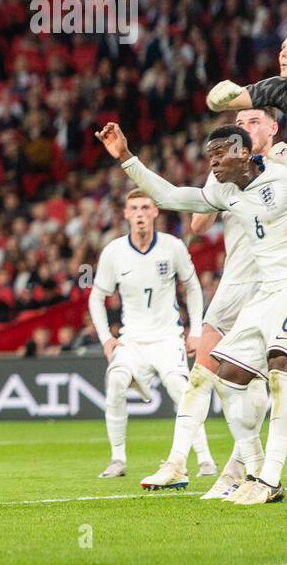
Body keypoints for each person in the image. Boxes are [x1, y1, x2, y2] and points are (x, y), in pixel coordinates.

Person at [96, 120, 287, 505]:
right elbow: (169, 196)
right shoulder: (223, 189)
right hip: (265, 293)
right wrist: (126, 158)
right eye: (209, 156)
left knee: (280, 374)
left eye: (220, 154)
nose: (213, 164)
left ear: (244, 152)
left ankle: (268, 479)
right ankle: (254, 466)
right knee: (227, 377)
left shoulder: (282, 180)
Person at [86, 188, 211, 480]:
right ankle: (118, 459)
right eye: (134, 209)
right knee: (115, 381)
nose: (140, 214)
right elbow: (96, 296)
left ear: (156, 212)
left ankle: (205, 459)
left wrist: (195, 330)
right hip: (132, 339)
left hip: (168, 337)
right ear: (126, 214)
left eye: (145, 208)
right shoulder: (114, 252)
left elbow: (192, 286)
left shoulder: (172, 246)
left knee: (180, 391)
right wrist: (106, 337)